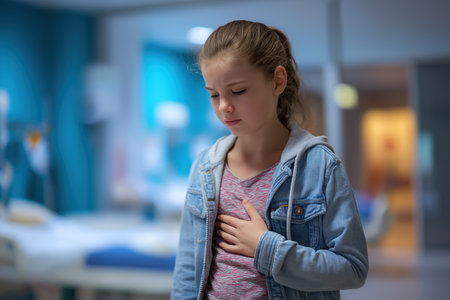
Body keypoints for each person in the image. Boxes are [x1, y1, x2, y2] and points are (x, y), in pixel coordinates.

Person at [171, 20, 368, 300]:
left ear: (277, 80)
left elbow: (353, 268)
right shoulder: (204, 166)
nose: (224, 106)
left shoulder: (320, 166)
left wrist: (267, 247)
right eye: (214, 94)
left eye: (237, 91)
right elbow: (188, 272)